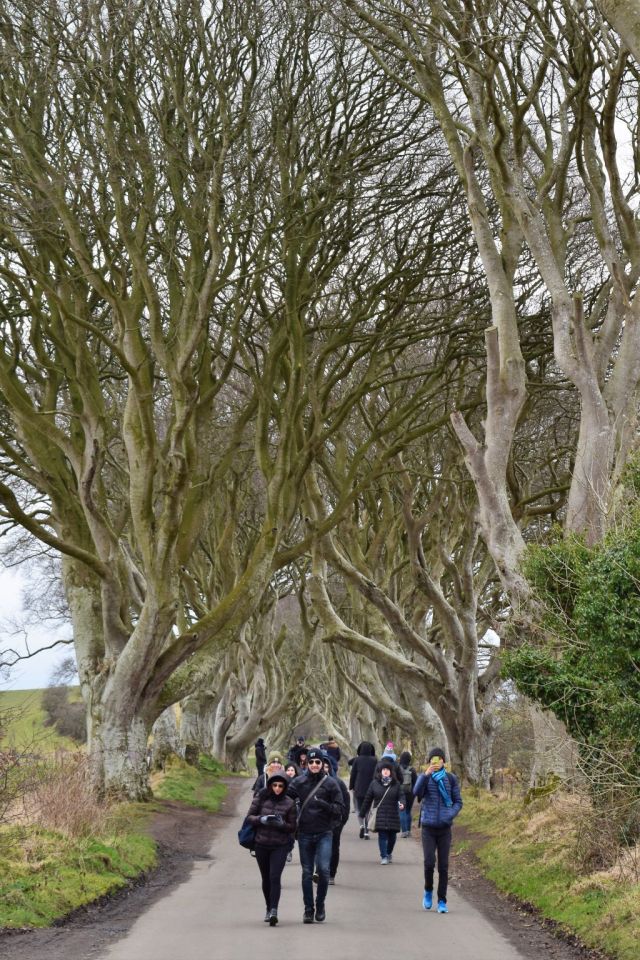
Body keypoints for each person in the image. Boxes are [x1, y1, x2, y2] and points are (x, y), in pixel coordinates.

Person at [287, 746, 345, 923]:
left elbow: (340, 810)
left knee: (323, 870)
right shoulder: (298, 782)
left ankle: (320, 905)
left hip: (324, 833)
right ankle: (308, 909)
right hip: (304, 833)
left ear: (322, 763)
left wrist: (325, 806)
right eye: (310, 761)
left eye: (317, 762)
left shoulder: (331, 784)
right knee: (306, 872)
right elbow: (283, 800)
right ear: (306, 763)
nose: (314, 764)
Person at [413, 747, 463, 914]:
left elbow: (458, 802)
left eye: (439, 759)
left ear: (444, 761)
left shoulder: (451, 779)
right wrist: (425, 775)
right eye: (433, 759)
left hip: (444, 828)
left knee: (443, 866)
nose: (436, 762)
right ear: (429, 762)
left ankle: (442, 900)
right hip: (428, 827)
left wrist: (450, 814)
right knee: (429, 863)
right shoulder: (426, 778)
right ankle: (428, 891)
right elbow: (416, 792)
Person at [245, 772, 297, 926]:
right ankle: (268, 907)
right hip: (261, 844)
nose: (277, 788)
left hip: (279, 845)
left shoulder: (289, 803)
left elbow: (293, 827)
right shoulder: (261, 799)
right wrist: (262, 819)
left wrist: (282, 825)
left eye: (281, 786)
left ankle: (274, 910)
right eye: (274, 785)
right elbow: (249, 817)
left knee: (275, 877)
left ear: (285, 787)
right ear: (270, 785)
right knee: (266, 878)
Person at [359, 759, 404, 865]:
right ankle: (383, 856)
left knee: (392, 837)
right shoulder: (374, 784)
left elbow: (401, 796)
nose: (385, 771)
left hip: (393, 814)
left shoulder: (396, 784)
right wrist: (362, 812)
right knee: (382, 836)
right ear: (380, 771)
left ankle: (389, 853)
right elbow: (368, 798)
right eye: (383, 769)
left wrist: (402, 803)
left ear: (391, 772)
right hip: (380, 815)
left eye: (387, 770)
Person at [322, 758, 350, 884]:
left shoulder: (338, 783)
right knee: (319, 849)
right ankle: (320, 872)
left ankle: (331, 874)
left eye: (326, 766)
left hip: (335, 823)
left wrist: (342, 820)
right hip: (316, 823)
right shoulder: (307, 782)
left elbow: (346, 802)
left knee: (333, 848)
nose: (323, 769)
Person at [348, 741, 377, 838]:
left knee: (359, 809)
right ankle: (366, 831)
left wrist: (351, 786)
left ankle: (361, 826)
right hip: (370, 788)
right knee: (368, 810)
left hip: (358, 788)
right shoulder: (374, 760)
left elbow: (353, 774)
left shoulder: (357, 760)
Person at [398, 750, 418, 836]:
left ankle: (404, 831)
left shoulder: (397, 768)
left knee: (402, 810)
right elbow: (416, 782)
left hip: (400, 792)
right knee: (408, 811)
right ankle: (409, 831)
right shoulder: (412, 769)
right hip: (410, 793)